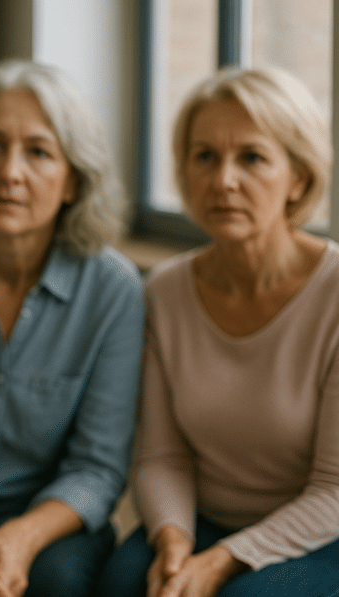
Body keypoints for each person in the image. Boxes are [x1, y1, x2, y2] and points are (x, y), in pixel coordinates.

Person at [97, 66, 339, 597]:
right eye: (205, 156)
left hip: (321, 532)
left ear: (298, 176)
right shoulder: (164, 289)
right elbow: (162, 456)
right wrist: (174, 544)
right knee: (120, 582)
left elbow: (334, 490)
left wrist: (222, 564)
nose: (224, 179)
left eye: (251, 157)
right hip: (199, 520)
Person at [0, 60, 145, 597]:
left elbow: (97, 466)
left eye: (39, 152)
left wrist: (19, 538)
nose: (10, 172)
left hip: (48, 515)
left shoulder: (114, 289)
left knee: (56, 581)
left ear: (72, 181)